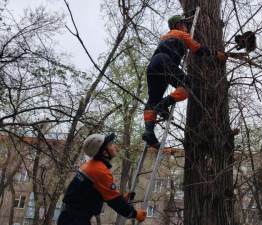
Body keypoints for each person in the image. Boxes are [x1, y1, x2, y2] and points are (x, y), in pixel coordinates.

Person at [142, 14, 227, 146]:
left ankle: (149, 131)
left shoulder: (165, 37)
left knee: (152, 100)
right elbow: (198, 50)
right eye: (185, 25)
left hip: (153, 65)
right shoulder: (181, 34)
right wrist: (216, 54)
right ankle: (164, 104)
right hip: (165, 61)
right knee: (187, 85)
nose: (187, 28)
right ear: (178, 25)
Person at [57, 133, 147, 225]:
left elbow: (92, 194)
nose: (114, 146)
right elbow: (114, 202)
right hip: (75, 220)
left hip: (70, 217)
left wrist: (121, 198)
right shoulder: (101, 171)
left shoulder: (90, 165)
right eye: (111, 144)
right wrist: (135, 214)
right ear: (105, 153)